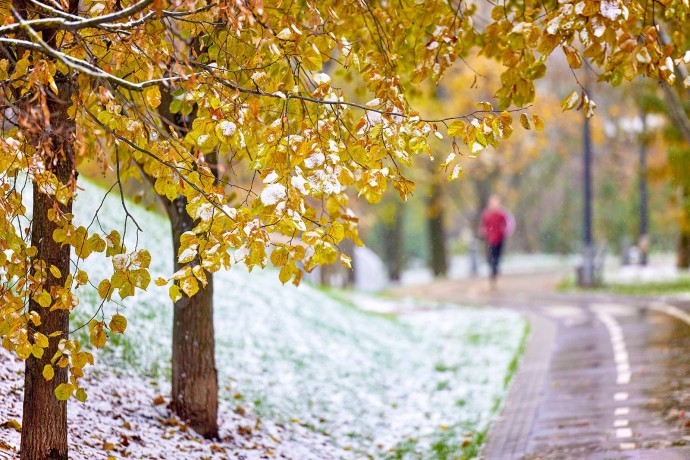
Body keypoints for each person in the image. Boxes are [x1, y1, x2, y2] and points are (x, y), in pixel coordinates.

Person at [480, 195, 510, 285]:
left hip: (500, 237)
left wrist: (503, 231)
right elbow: (483, 225)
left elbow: (506, 224)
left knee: (498, 255)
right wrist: (484, 232)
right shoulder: (487, 214)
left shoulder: (501, 214)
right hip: (490, 238)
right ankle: (493, 271)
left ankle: (495, 269)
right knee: (492, 255)